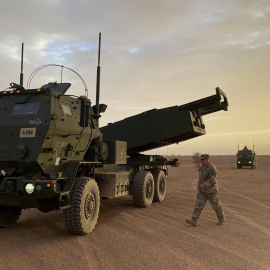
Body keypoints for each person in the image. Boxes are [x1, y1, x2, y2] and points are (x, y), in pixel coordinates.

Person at [186, 154, 225, 226]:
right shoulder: (201, 168)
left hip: (211, 191)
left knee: (216, 206)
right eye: (201, 160)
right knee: (198, 205)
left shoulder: (212, 168)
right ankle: (194, 220)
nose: (201, 161)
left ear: (207, 159)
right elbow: (200, 179)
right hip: (202, 192)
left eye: (203, 160)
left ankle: (221, 219)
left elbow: (213, 178)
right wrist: (199, 188)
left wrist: (205, 184)